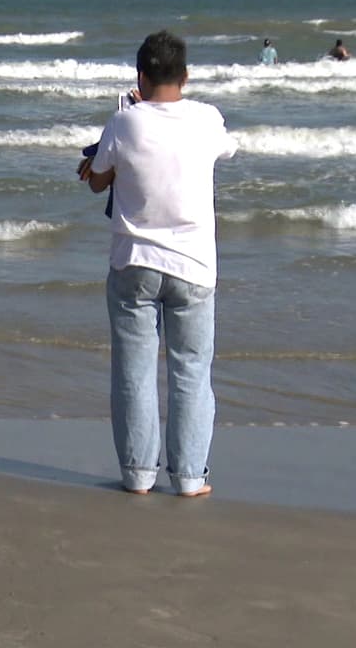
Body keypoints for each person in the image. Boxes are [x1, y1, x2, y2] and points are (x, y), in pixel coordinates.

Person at [78, 31, 236, 498]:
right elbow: (226, 147)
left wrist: (131, 113)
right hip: (194, 265)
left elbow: (97, 180)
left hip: (134, 262)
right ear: (185, 77)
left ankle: (138, 473)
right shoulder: (206, 118)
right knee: (190, 370)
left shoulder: (125, 122)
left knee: (134, 370)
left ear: (139, 77)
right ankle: (189, 475)